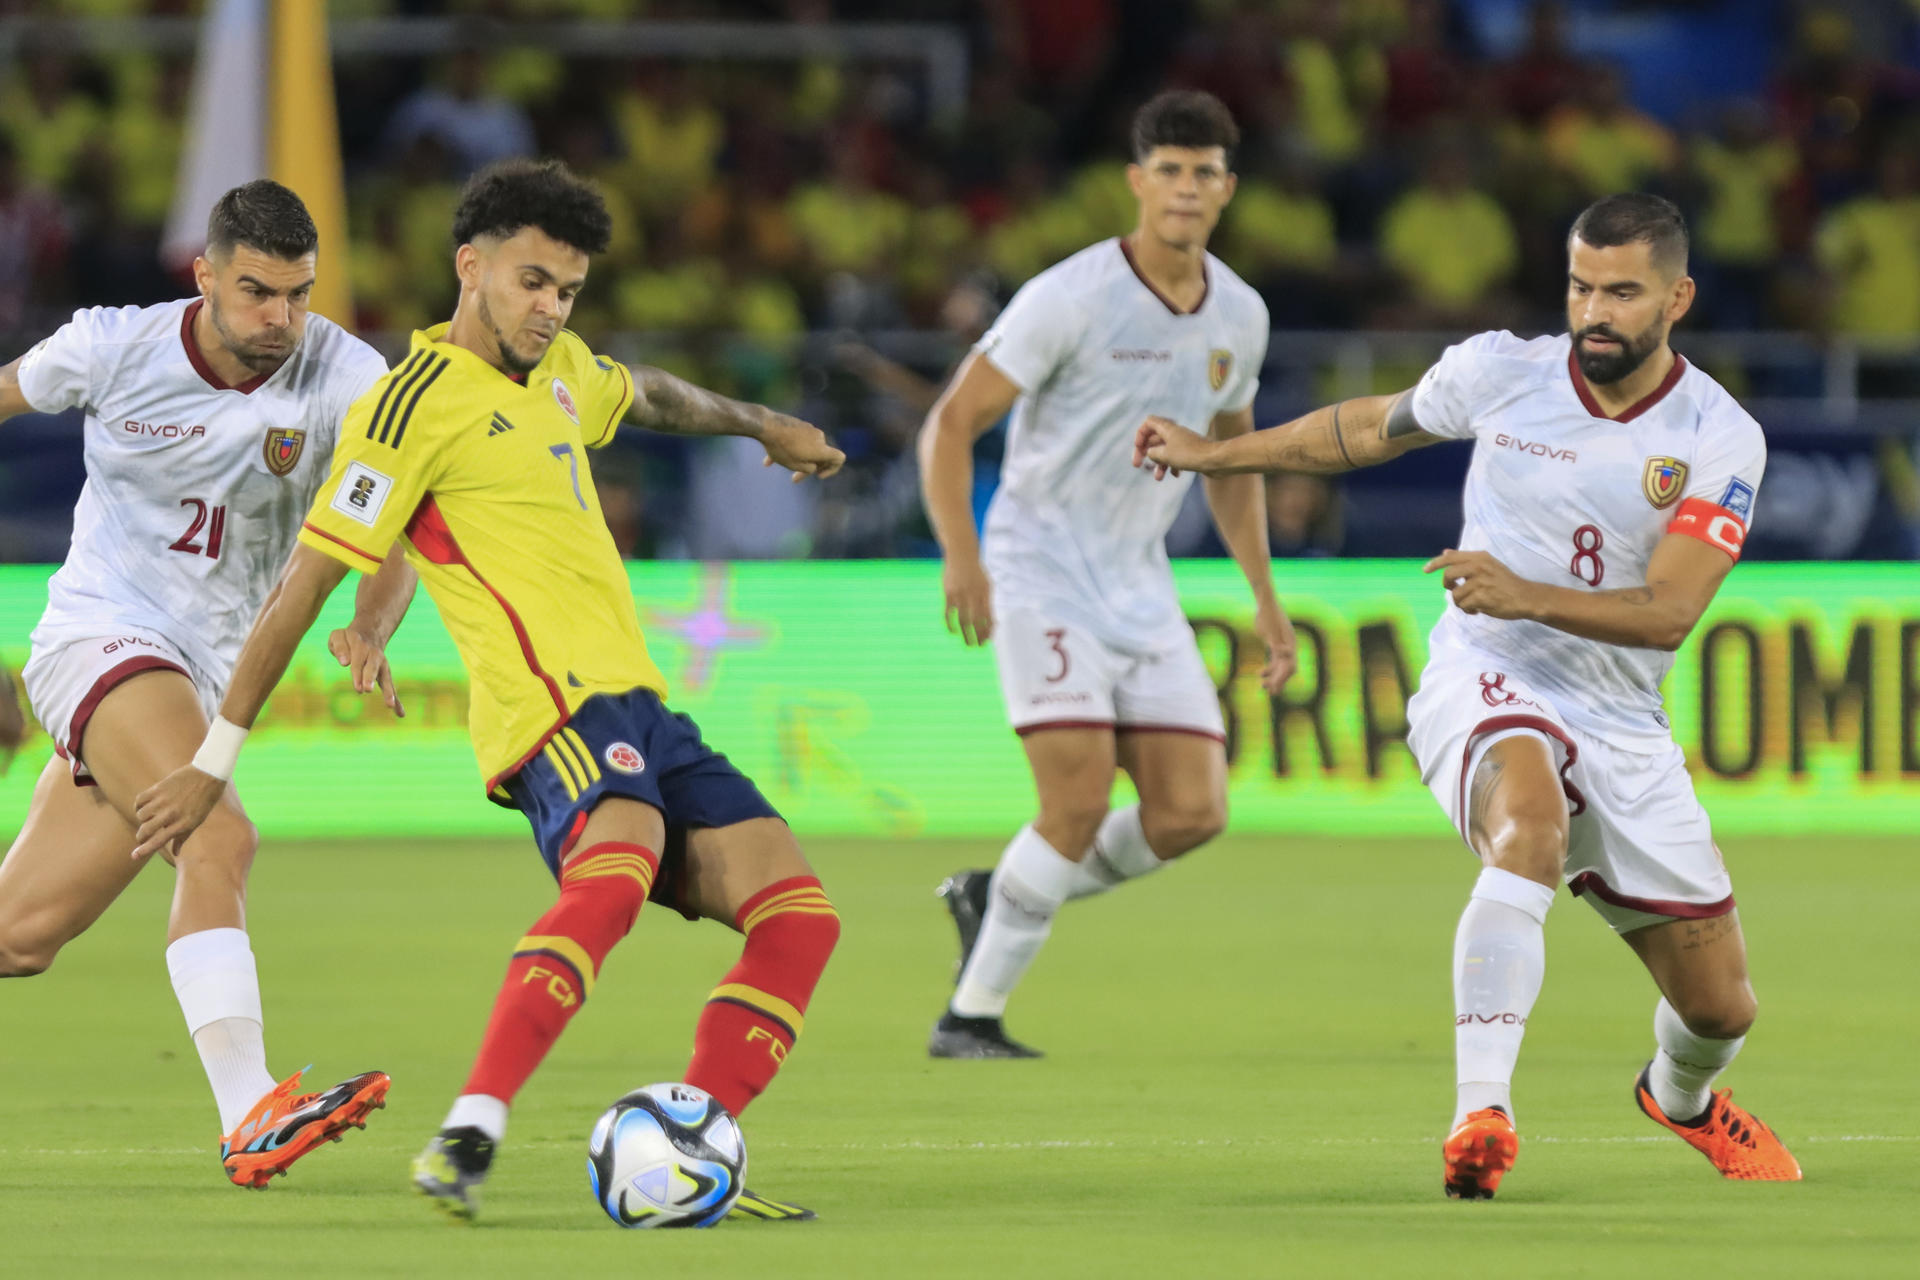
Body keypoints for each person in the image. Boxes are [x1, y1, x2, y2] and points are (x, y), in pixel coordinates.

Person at [132, 159, 847, 1221]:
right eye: (532, 282)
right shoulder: (407, 405)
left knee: (801, 914)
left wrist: (760, 422)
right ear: (471, 266)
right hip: (547, 710)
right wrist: (212, 762)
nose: (551, 307)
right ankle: (472, 1126)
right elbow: (303, 584)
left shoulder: (561, 370)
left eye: (567, 289)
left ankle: (698, 1125)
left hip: (644, 704)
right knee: (619, 866)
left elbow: (648, 390)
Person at [1134, 193, 1802, 1197]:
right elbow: (1365, 429)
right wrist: (1211, 452)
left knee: (1721, 1010)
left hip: (1622, 719)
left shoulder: (1718, 432)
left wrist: (1523, 586)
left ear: (1679, 296)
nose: (1595, 312)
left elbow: (1669, 612)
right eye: (1581, 286)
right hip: (1488, 673)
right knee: (1527, 824)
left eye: (1623, 291)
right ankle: (1479, 1115)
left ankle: (1682, 1097)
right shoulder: (1503, 370)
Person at [0, 180, 402, 1187]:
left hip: (204, 671)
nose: (284, 318)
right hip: (102, 637)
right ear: (206, 276)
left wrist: (367, 621)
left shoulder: (345, 375)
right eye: (260, 292)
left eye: (301, 294)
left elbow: (398, 519)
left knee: (20, 936)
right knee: (216, 830)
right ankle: (250, 1107)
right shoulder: (112, 347)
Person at [917, 90, 1297, 1060]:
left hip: (1139, 578)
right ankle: (971, 1015)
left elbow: (1233, 463)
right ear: (1137, 183)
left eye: (1203, 172)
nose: (1184, 188)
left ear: (1228, 189)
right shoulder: (1071, 295)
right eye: (1167, 170)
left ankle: (996, 892)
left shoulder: (1241, 315)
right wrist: (963, 552)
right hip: (1039, 566)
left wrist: (1265, 596)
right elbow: (951, 423)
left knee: (1193, 810)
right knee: (1078, 802)